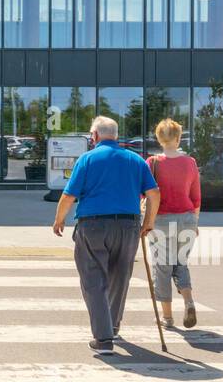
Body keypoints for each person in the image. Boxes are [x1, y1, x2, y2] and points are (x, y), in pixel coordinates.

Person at [53, 115, 160, 355]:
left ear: (94, 136)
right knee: (120, 277)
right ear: (116, 135)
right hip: (128, 226)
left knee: (94, 280)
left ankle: (103, 339)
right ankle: (112, 325)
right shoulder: (135, 160)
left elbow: (69, 195)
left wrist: (59, 219)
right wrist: (149, 222)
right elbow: (154, 193)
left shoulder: (87, 159)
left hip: (93, 226)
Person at [146, 118, 201, 330]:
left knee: (162, 267)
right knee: (180, 263)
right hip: (187, 218)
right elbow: (196, 197)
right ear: (178, 138)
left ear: (159, 138)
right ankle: (188, 302)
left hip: (161, 220)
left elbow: (146, 194)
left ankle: (167, 318)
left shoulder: (153, 163)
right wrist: (194, 222)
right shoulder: (190, 163)